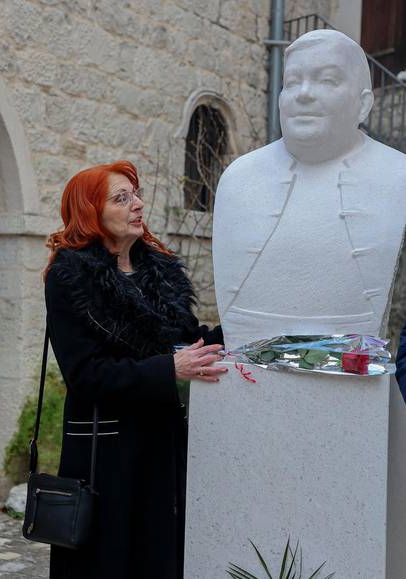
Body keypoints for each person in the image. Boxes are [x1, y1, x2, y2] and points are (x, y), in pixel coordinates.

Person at [44, 159, 227, 579]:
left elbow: (187, 341)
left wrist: (240, 329)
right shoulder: (70, 277)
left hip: (162, 448)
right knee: (109, 561)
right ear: (91, 211)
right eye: (121, 198)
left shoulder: (158, 272)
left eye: (136, 194)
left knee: (159, 556)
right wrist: (168, 369)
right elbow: (86, 375)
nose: (138, 204)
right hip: (106, 456)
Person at [213, 29, 406, 350]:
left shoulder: (398, 175)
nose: (303, 94)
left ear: (363, 104)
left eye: (327, 81)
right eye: (291, 82)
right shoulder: (238, 179)